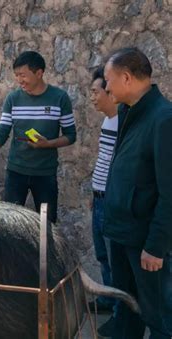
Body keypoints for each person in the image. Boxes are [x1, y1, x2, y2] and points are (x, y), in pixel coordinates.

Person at [0, 51, 76, 222]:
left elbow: (71, 136)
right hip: (16, 172)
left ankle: (45, 250)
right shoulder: (13, 99)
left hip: (45, 173)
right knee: (11, 223)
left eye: (23, 75)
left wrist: (48, 144)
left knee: (47, 224)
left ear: (39, 73)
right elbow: (0, 135)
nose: (19, 80)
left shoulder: (60, 98)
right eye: (16, 75)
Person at [103, 47, 172, 339]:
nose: (106, 87)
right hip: (122, 234)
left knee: (159, 319)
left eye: (109, 80)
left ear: (127, 77)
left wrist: (156, 245)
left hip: (144, 243)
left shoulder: (163, 118)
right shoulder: (130, 112)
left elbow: (170, 190)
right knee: (127, 314)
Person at [88, 66, 119, 336]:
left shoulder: (122, 121)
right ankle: (108, 300)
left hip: (111, 201)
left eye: (96, 92)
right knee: (103, 255)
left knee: (114, 257)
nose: (92, 97)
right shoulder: (108, 121)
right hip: (99, 198)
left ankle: (121, 315)